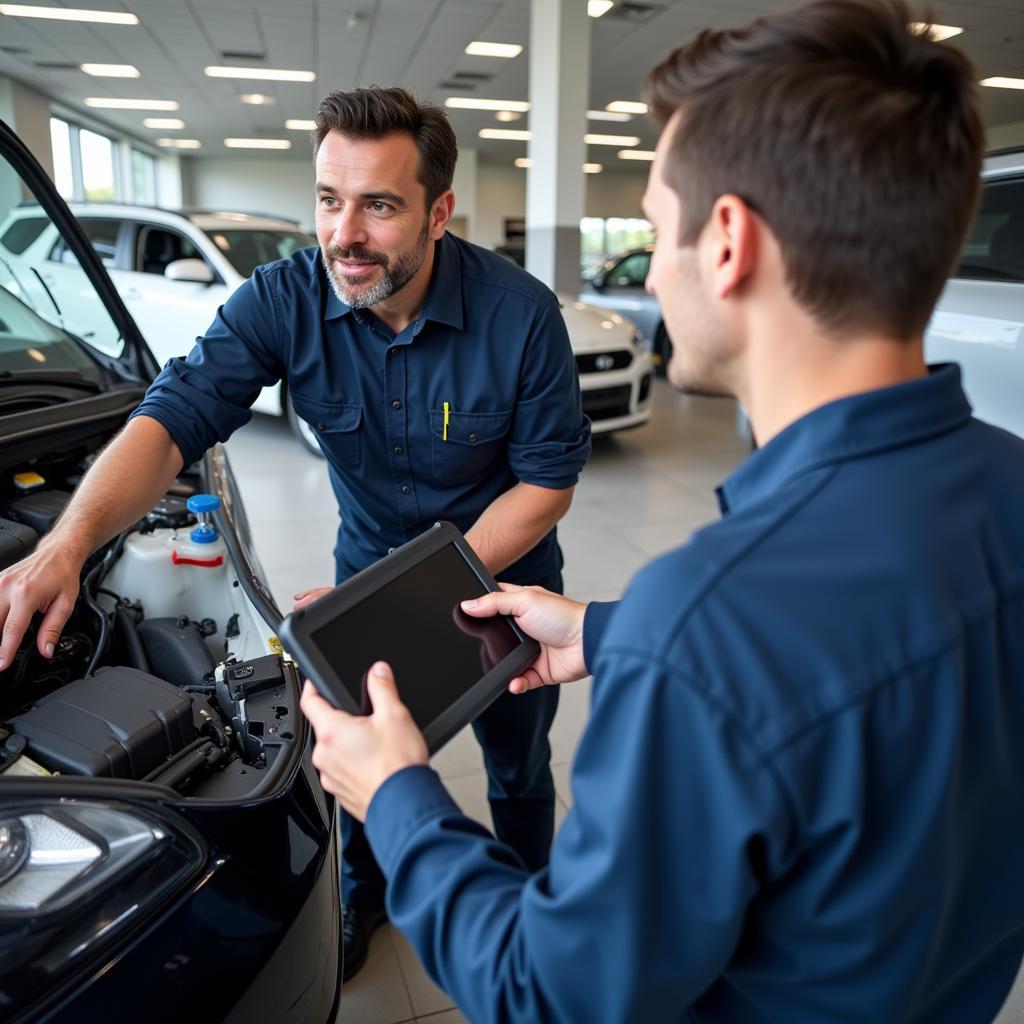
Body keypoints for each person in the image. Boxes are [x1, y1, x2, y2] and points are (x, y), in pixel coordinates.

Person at [299, 1, 1024, 1020]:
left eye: (652, 220)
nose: (653, 254)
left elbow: (549, 988)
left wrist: (400, 795)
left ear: (725, 242)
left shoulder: (710, 624)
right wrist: (609, 628)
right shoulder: (1007, 484)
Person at [0, 88, 591, 979]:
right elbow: (173, 419)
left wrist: (399, 598)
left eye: (379, 205)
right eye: (327, 198)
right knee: (362, 765)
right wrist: (67, 543)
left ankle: (535, 898)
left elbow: (546, 487)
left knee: (517, 766)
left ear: (439, 213)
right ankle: (366, 900)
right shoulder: (284, 299)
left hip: (501, 585)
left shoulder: (521, 315)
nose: (343, 233)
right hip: (366, 574)